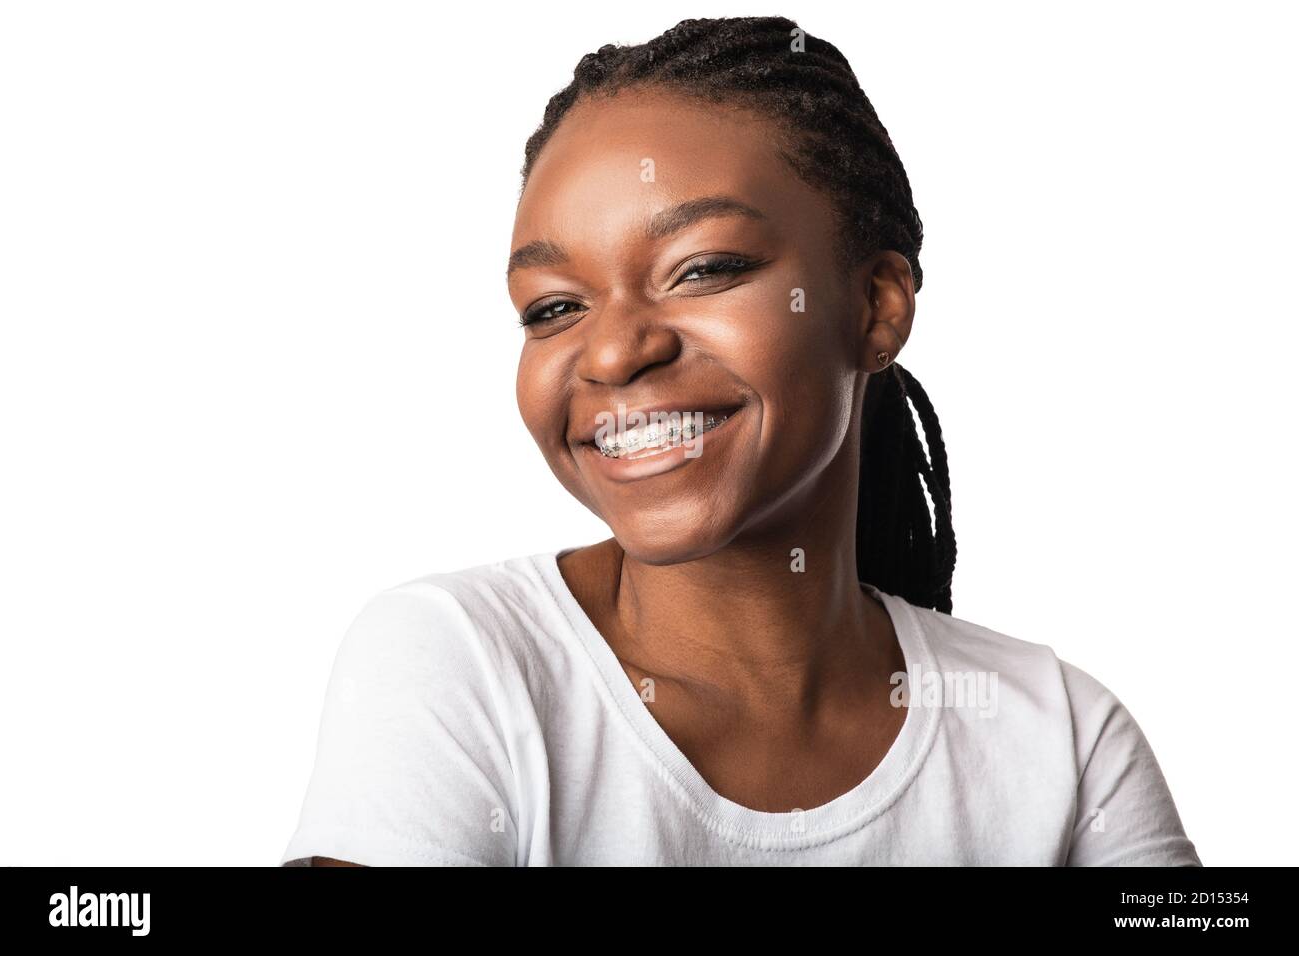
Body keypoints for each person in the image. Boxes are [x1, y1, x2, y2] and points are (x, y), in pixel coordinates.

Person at [280, 15, 1200, 866]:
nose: (612, 349)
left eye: (704, 269)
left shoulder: (1066, 742)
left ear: (877, 305)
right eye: (554, 307)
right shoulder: (458, 666)